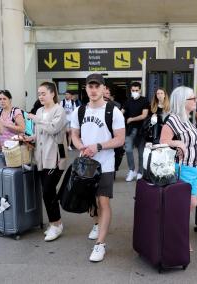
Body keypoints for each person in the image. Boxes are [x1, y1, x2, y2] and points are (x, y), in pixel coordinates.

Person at [70, 73, 125, 262]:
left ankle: (100, 244)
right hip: (85, 163)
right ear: (86, 89)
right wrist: (80, 147)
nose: (93, 90)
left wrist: (98, 146)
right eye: (90, 87)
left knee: (103, 202)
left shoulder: (113, 111)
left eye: (96, 86)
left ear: (103, 89)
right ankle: (96, 222)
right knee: (89, 201)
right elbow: (74, 135)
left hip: (105, 164)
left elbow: (120, 139)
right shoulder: (79, 111)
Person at [160, 86, 197, 251]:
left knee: (191, 203)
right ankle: (179, 238)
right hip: (183, 167)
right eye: (192, 98)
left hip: (195, 168)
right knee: (184, 204)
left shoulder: (187, 119)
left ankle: (176, 234)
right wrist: (176, 143)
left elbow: (193, 140)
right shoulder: (172, 119)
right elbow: (163, 141)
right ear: (182, 101)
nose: (196, 101)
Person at [26, 82, 68, 242]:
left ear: (52, 94)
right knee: (47, 191)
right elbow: (40, 132)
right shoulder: (40, 110)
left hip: (56, 158)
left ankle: (56, 225)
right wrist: (32, 138)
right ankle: (55, 223)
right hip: (41, 158)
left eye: (43, 93)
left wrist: (35, 119)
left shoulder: (59, 110)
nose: (41, 96)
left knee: (48, 191)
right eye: (39, 94)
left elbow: (53, 128)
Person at [121, 82, 149, 182]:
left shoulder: (144, 100)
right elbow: (121, 112)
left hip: (141, 130)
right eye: (133, 90)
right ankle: (132, 170)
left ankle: (140, 172)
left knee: (141, 153)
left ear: (140, 90)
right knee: (128, 150)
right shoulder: (128, 101)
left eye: (137, 90)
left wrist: (132, 119)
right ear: (130, 91)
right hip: (129, 130)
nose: (135, 92)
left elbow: (144, 115)